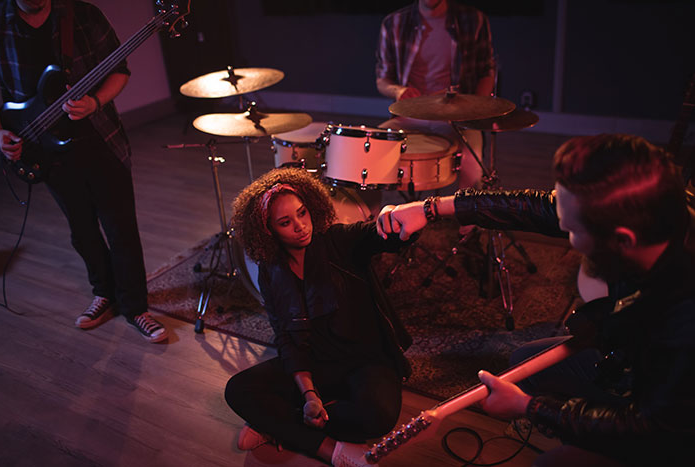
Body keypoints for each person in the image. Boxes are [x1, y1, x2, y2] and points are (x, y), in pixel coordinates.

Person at [377, 134, 695, 466]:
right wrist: (430, 208)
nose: (564, 231)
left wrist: (529, 408)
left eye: (571, 230)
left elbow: (651, 426)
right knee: (526, 362)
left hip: (672, 434)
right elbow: (542, 207)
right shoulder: (658, 210)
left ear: (622, 240)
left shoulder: (681, 315)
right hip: (639, 364)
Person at [0, 0, 167, 343]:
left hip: (100, 138)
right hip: (41, 145)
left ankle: (136, 308)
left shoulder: (81, 13)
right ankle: (103, 293)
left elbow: (120, 70)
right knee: (82, 230)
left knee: (121, 230)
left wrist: (95, 101)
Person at [224, 167, 413, 467]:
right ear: (268, 231)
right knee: (237, 389)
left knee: (378, 416)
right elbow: (286, 339)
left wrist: (396, 218)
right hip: (317, 363)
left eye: (302, 213)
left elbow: (378, 236)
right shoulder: (271, 272)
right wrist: (309, 393)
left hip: (367, 360)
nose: (300, 226)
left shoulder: (338, 240)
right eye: (285, 222)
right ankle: (329, 449)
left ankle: (277, 423)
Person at [375, 0, 496, 194]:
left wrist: (476, 111)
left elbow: (487, 71)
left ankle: (468, 223)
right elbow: (382, 80)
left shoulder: (473, 20)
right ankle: (368, 220)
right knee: (368, 151)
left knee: (471, 162)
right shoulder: (394, 23)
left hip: (456, 117)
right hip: (409, 116)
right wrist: (399, 91)